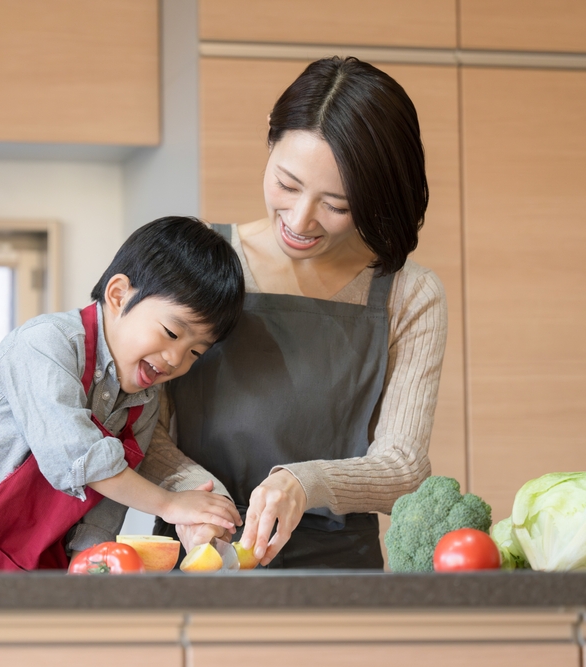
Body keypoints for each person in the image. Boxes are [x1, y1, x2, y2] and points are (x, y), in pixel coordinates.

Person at [140, 56, 448, 569]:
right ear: (270, 137)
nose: (301, 220)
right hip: (199, 557)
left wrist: (307, 483)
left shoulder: (409, 294)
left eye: (338, 204)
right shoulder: (195, 260)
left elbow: (405, 467)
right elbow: (141, 428)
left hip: (339, 573)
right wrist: (198, 496)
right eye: (287, 184)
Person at [0, 216, 246, 572]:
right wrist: (170, 505)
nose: (175, 360)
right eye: (172, 333)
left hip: (22, 549)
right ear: (118, 294)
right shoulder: (45, 343)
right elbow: (76, 455)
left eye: (195, 352)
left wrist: (89, 563)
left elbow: (104, 507)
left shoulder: (145, 401)